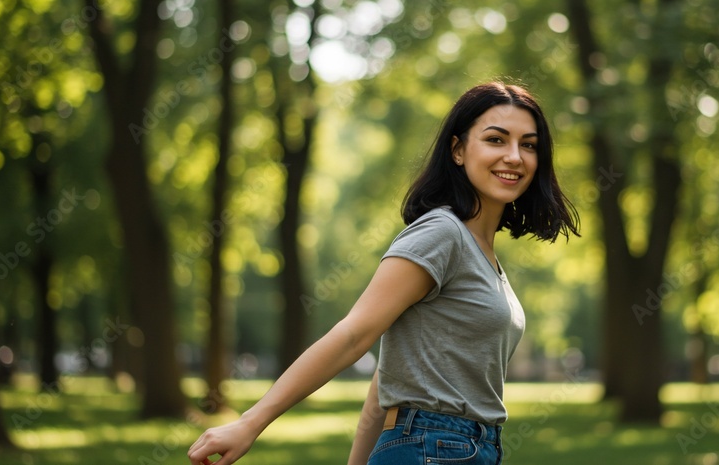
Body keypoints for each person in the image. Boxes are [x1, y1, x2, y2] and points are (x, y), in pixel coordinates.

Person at [187, 81, 580, 465]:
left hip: (463, 447)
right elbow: (353, 334)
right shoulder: (442, 234)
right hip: (435, 447)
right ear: (458, 150)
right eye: (496, 139)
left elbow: (386, 381)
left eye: (528, 145)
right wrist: (249, 423)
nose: (514, 156)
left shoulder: (482, 254)